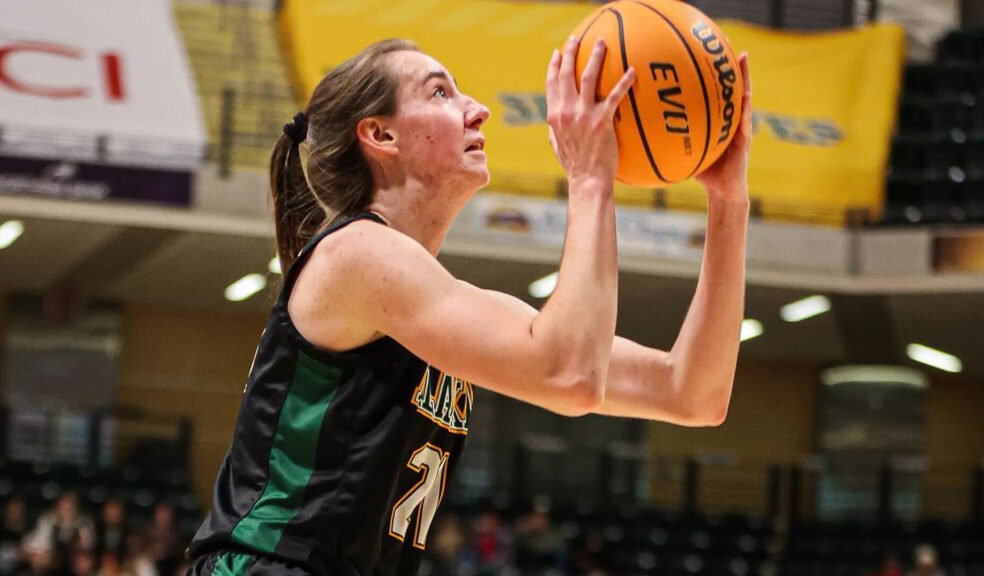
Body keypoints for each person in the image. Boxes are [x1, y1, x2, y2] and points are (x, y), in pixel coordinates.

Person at [187, 33, 752, 576]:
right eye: (440, 92)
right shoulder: (355, 253)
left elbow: (692, 392)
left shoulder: (441, 302)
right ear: (380, 135)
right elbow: (571, 374)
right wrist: (589, 181)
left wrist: (728, 203)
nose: (477, 109)